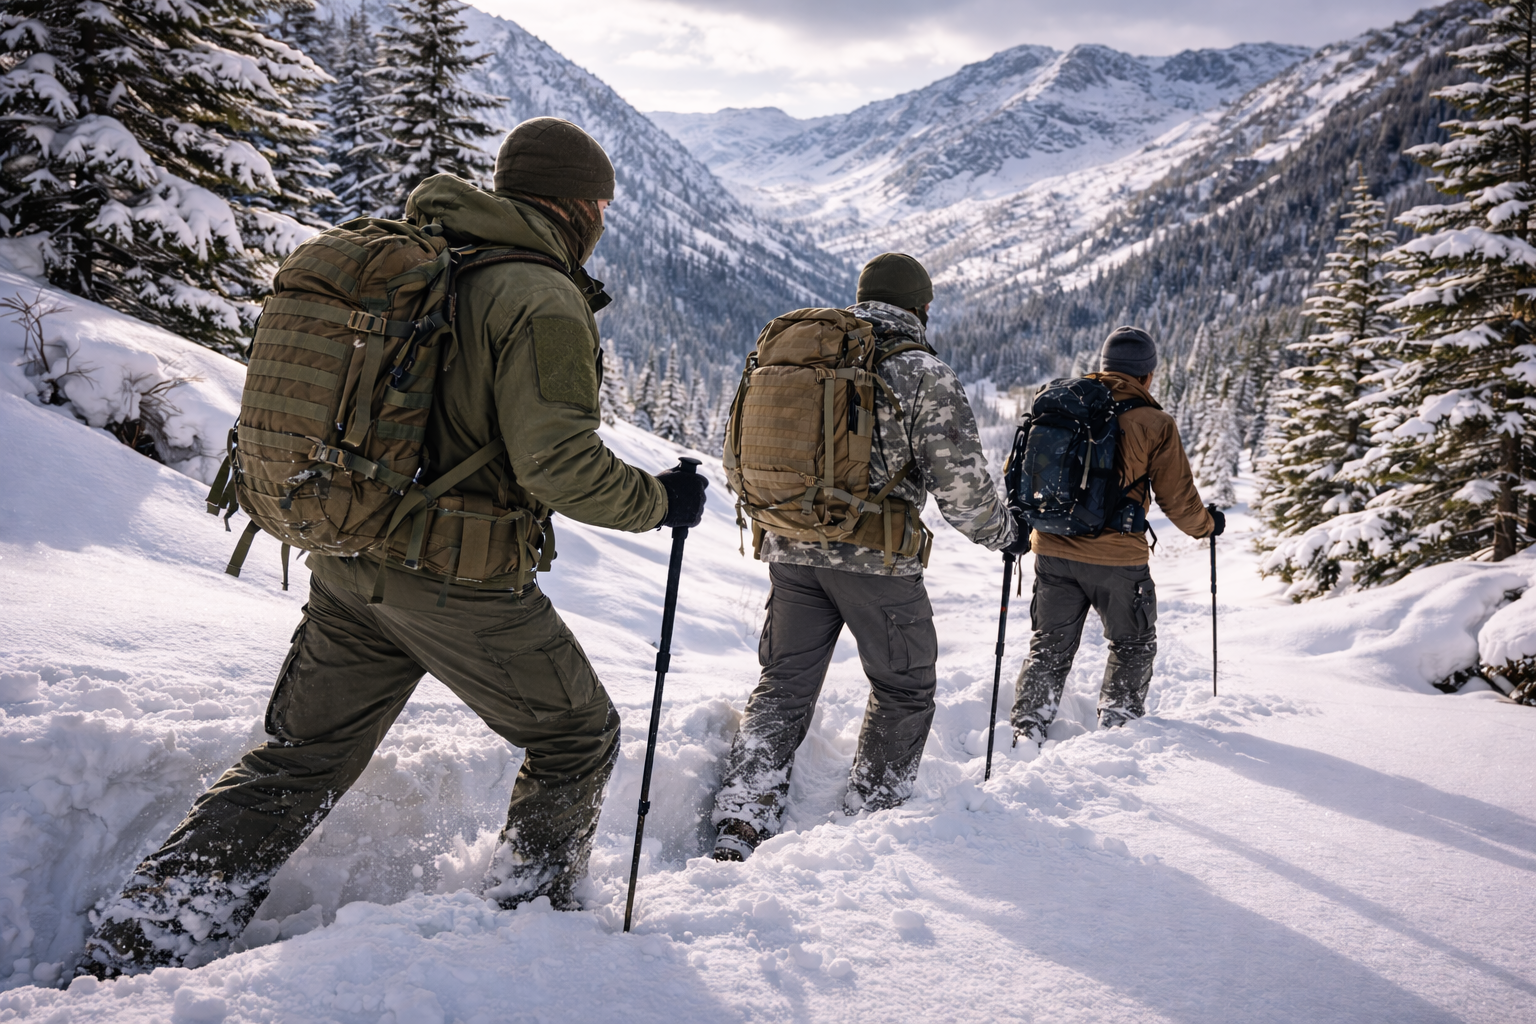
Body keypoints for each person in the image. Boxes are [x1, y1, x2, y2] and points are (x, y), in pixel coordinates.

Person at [77, 117, 710, 978]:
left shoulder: (432, 260)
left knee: (299, 759)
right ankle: (531, 923)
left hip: (351, 556)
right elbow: (557, 462)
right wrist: (661, 502)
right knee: (577, 733)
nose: (602, 218)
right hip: (456, 580)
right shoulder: (540, 294)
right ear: (574, 205)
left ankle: (146, 931)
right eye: (600, 203)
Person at [709, 253, 1026, 862]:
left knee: (782, 685)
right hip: (877, 567)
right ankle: (871, 817)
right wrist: (1005, 536)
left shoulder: (803, 354)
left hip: (792, 548)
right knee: (904, 688)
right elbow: (962, 489)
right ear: (922, 308)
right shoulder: (920, 371)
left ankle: (742, 819)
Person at [1010, 326, 1222, 746]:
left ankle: (1026, 728)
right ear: (1147, 375)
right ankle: (1118, 728)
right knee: (1132, 643)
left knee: (1049, 646)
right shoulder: (1154, 423)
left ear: (1105, 366)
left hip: (1052, 550)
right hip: (1117, 560)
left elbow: (1016, 472)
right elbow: (1177, 500)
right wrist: (1209, 526)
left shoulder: (1063, 405)